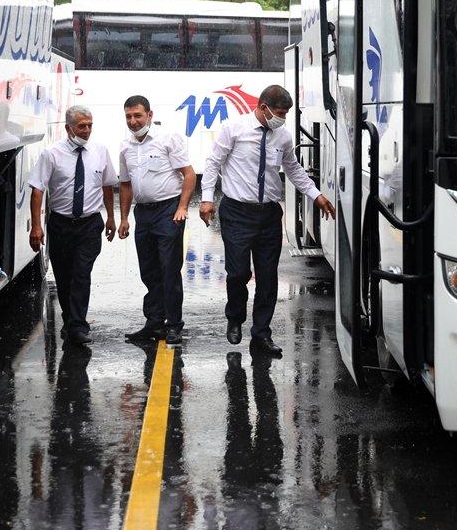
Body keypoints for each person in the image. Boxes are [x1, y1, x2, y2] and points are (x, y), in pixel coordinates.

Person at [200, 85, 335, 357]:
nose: (282, 118)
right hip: (237, 212)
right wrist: (206, 199)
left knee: (267, 278)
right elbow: (213, 163)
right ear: (263, 107)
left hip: (268, 215)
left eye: (285, 113)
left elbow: (293, 169)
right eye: (279, 112)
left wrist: (315, 194)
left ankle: (261, 335)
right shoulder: (234, 129)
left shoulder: (283, 137)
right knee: (238, 273)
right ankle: (235, 317)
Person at [29, 105, 117, 344]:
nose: (87, 130)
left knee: (81, 273)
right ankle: (70, 320)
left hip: (90, 224)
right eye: (81, 126)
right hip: (61, 224)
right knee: (64, 275)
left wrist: (110, 217)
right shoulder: (52, 154)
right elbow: (37, 190)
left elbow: (107, 185)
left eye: (90, 125)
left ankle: (78, 325)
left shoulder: (100, 151)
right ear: (68, 128)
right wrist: (37, 226)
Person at [116, 95, 196, 345]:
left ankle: (173, 325)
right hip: (144, 214)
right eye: (128, 116)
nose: (133, 121)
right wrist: (124, 218)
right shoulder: (125, 146)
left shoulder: (167, 138)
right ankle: (154, 322)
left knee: (169, 269)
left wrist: (182, 207)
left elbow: (189, 174)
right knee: (149, 270)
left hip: (168, 211)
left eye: (137, 115)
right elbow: (126, 184)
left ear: (149, 114)